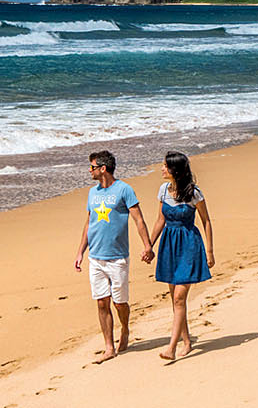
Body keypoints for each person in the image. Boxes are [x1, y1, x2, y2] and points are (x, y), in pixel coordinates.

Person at [73, 150, 154, 364]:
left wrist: (147, 246)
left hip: (118, 257)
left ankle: (125, 328)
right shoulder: (92, 193)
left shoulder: (124, 190)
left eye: (92, 167)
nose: (89, 171)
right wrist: (81, 251)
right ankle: (109, 346)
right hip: (96, 257)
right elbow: (89, 224)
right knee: (102, 302)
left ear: (103, 168)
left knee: (120, 303)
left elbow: (138, 220)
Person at [150, 151, 214, 361]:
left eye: (165, 166)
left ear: (175, 170)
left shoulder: (194, 193)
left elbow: (206, 221)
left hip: (189, 245)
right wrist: (149, 245)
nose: (162, 169)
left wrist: (210, 251)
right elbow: (160, 220)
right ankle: (187, 342)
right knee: (175, 299)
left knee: (179, 298)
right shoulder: (163, 190)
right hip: (169, 245)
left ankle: (171, 348)